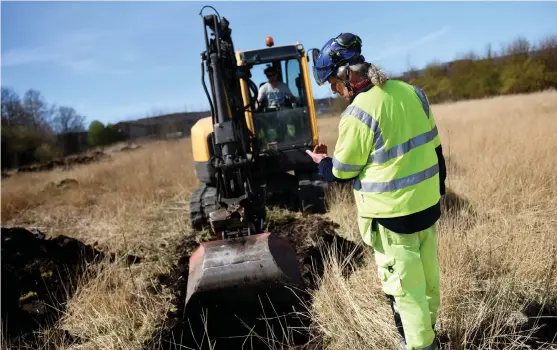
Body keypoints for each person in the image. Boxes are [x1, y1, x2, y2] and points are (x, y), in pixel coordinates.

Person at [306, 32, 447, 350]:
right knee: (427, 282)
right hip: (427, 207)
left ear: (346, 75)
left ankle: (422, 345)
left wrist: (321, 162)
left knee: (405, 292)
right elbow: (437, 151)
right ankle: (429, 333)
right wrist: (437, 192)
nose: (332, 89)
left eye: (332, 81)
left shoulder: (357, 114)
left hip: (392, 217)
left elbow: (341, 172)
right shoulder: (413, 93)